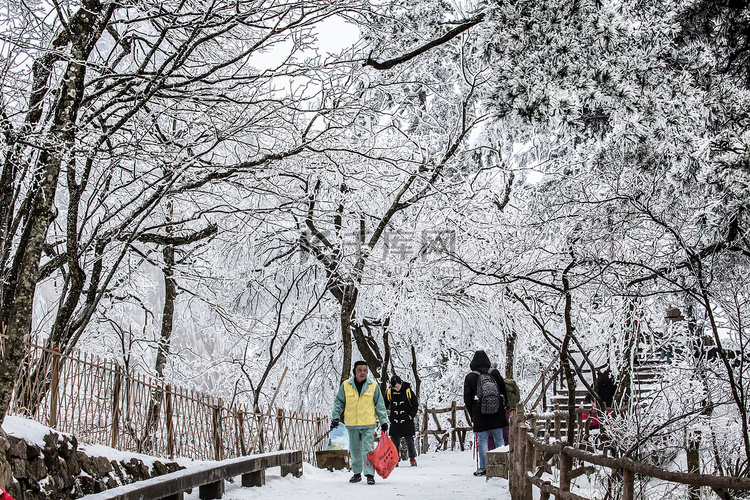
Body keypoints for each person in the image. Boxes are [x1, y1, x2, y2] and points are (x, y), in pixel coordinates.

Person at [331, 361, 389, 485]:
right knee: (355, 450)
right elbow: (339, 402)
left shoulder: (373, 385)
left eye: (365, 370)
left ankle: (369, 474)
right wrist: (335, 418)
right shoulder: (346, 385)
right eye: (360, 370)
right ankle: (357, 473)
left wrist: (383, 421)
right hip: (352, 424)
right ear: (355, 372)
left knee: (367, 449)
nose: (363, 373)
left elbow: (380, 405)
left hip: (368, 424)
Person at [463, 350, 508, 477]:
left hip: (480, 412)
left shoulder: (470, 377)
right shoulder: (494, 373)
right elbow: (503, 390)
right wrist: (503, 407)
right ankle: (502, 465)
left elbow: (467, 398)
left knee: (482, 441)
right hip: (496, 411)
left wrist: (472, 414)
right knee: (499, 439)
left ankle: (483, 468)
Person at [385, 375, 419, 467]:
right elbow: (384, 404)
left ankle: (412, 458)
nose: (396, 389)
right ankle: (395, 460)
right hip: (395, 421)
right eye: (394, 387)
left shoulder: (408, 391)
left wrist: (410, 415)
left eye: (397, 387)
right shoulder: (389, 392)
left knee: (409, 441)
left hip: (406, 420)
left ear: (401, 383)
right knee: (395, 442)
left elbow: (415, 404)